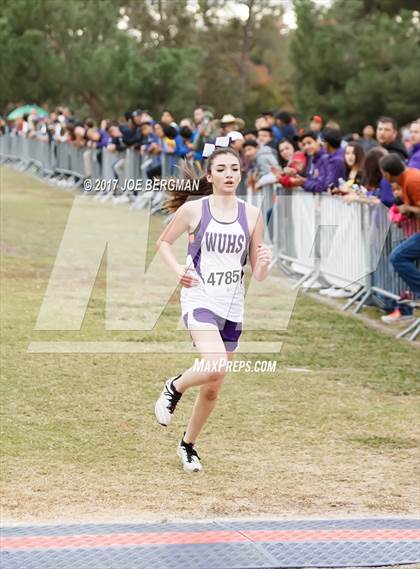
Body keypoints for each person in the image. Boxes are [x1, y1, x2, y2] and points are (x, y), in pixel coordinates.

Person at [154, 147, 272, 472]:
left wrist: (264, 264)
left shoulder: (252, 215)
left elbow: (257, 275)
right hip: (199, 298)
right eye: (221, 169)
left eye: (235, 168)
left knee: (212, 390)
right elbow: (162, 242)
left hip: (232, 305)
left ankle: (187, 445)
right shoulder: (194, 210)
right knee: (215, 365)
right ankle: (174, 386)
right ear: (210, 176)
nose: (229, 174)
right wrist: (178, 269)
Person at [379, 154, 420, 323]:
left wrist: (405, 208)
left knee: (398, 256)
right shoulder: (408, 178)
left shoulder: (412, 180)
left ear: (388, 174)